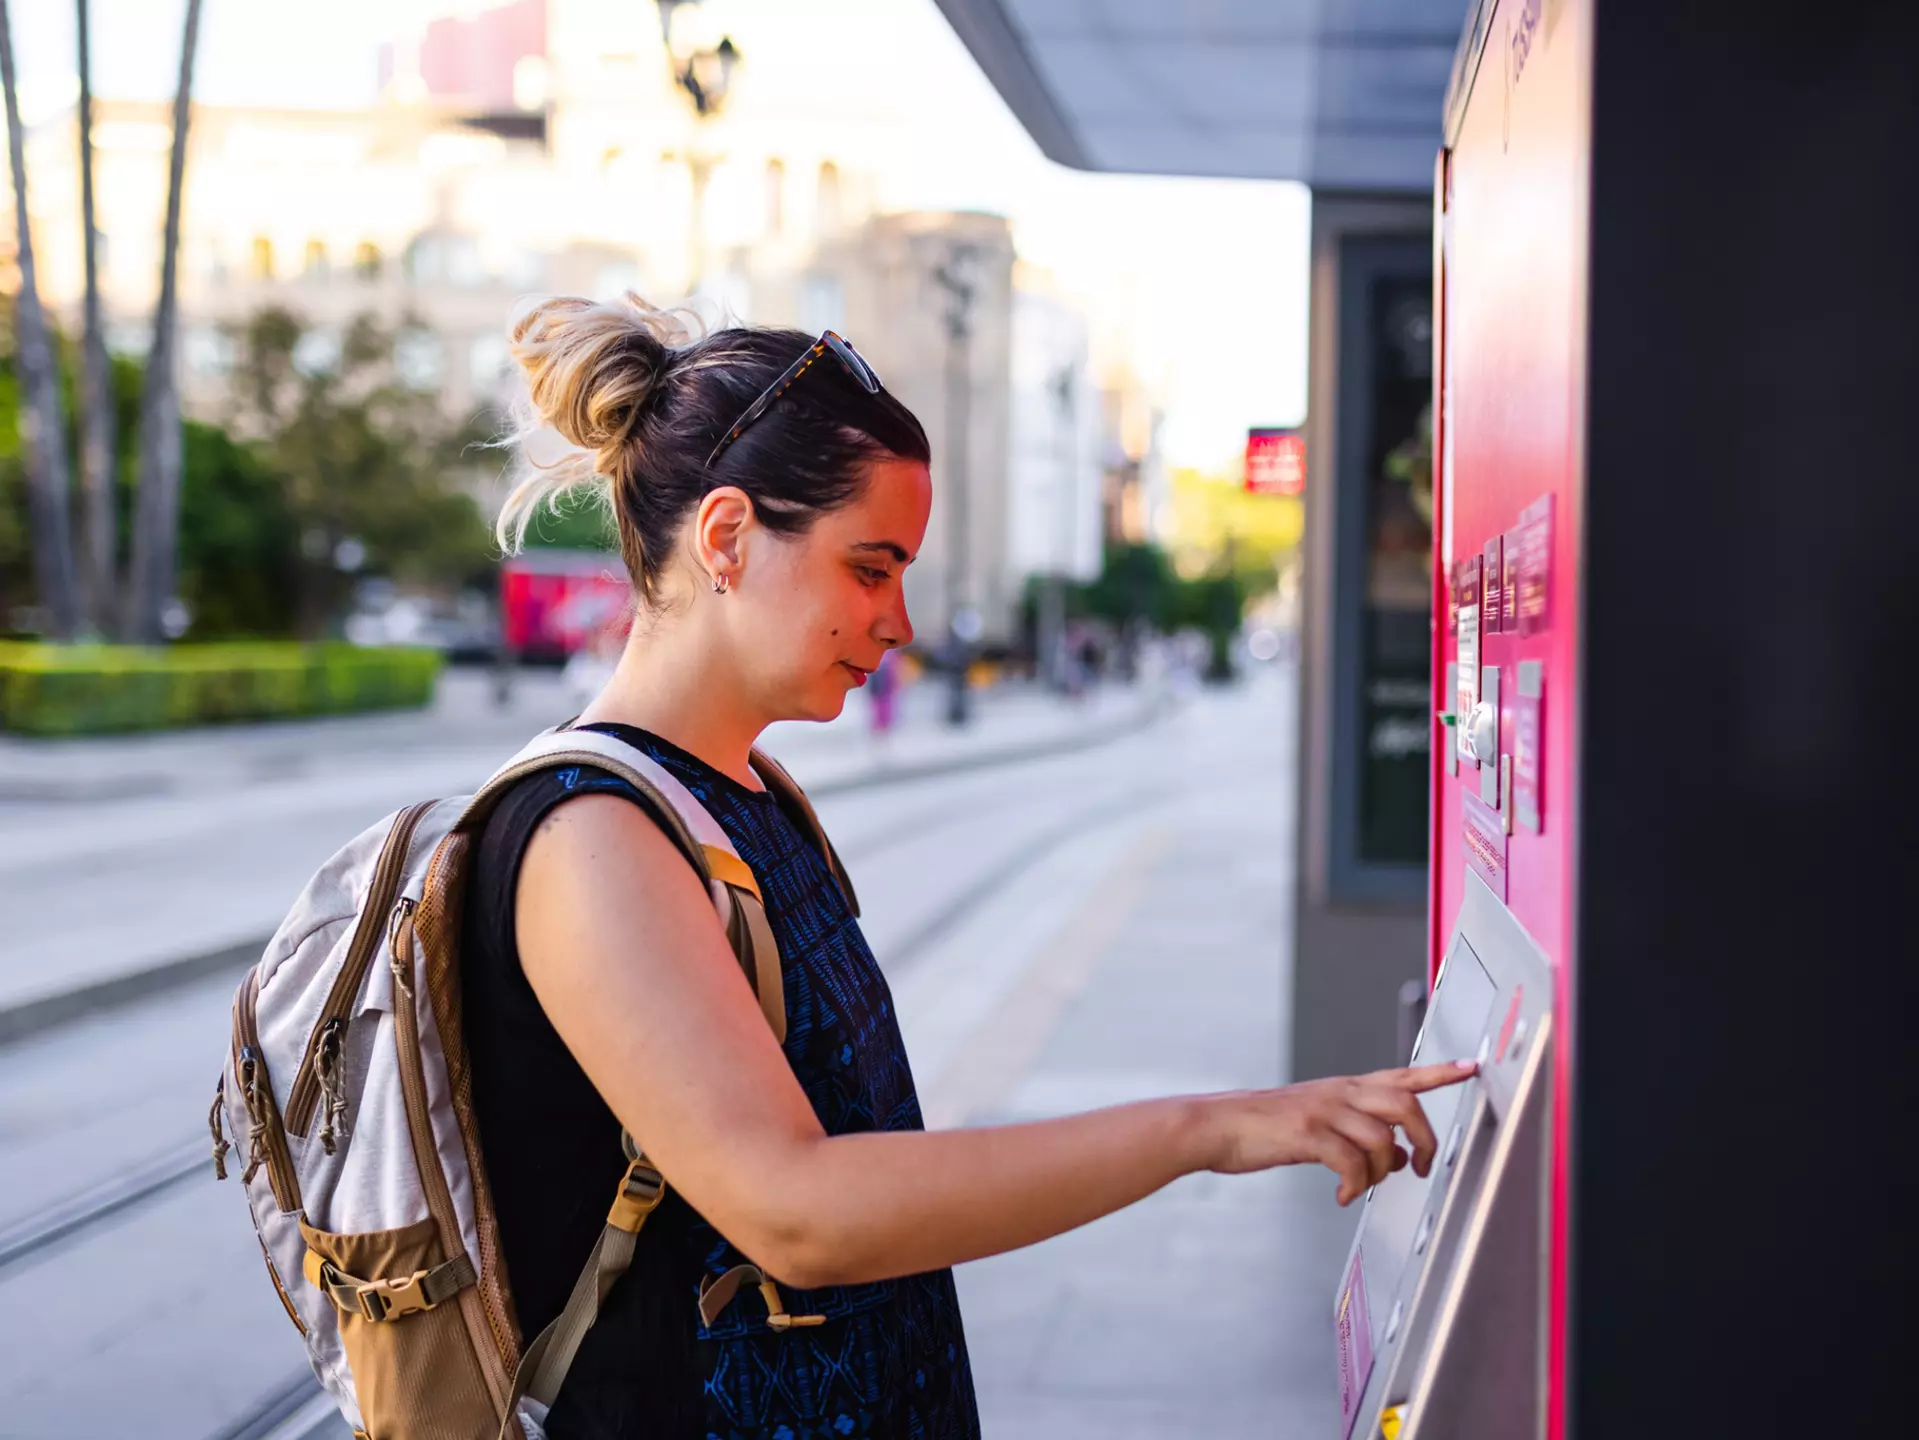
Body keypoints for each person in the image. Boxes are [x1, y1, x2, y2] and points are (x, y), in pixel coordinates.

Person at [465, 292, 1477, 1440]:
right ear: (728, 537)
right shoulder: (591, 837)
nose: (899, 620)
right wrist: (1210, 1130)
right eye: (869, 566)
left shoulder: (746, 797)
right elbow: (795, 1213)